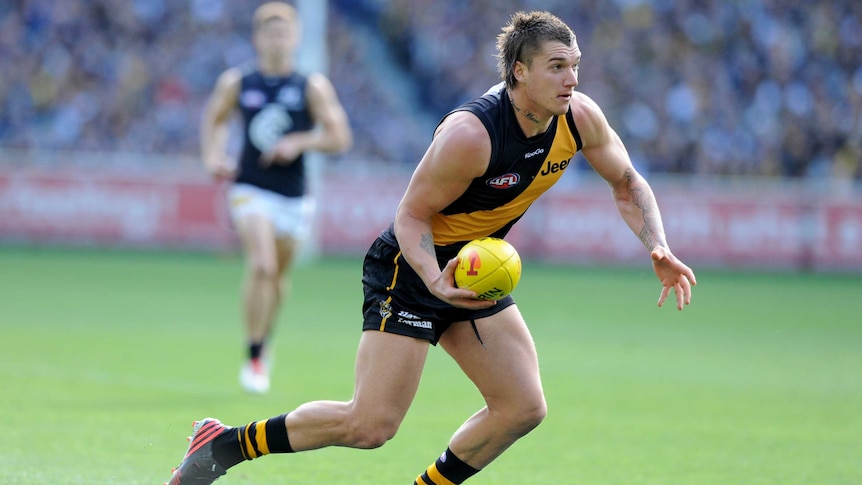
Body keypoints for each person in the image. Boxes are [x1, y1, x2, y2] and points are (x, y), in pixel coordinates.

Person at [166, 10, 696, 484]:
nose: (572, 79)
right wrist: (432, 275)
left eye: (575, 65)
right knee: (370, 425)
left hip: (470, 267)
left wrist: (658, 246)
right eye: (557, 66)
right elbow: (411, 216)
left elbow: (627, 184)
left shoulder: (579, 118)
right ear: (520, 71)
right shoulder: (472, 134)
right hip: (409, 265)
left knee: (522, 407)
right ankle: (227, 444)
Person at [200, 1, 352, 393]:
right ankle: (252, 354)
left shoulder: (310, 86)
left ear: (296, 38)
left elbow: (339, 137)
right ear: (257, 39)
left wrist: (298, 141)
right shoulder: (238, 82)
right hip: (250, 187)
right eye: (270, 33)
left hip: (293, 197)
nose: (277, 40)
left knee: (279, 276)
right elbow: (215, 119)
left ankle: (264, 342)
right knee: (263, 266)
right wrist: (214, 154)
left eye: (284, 33)